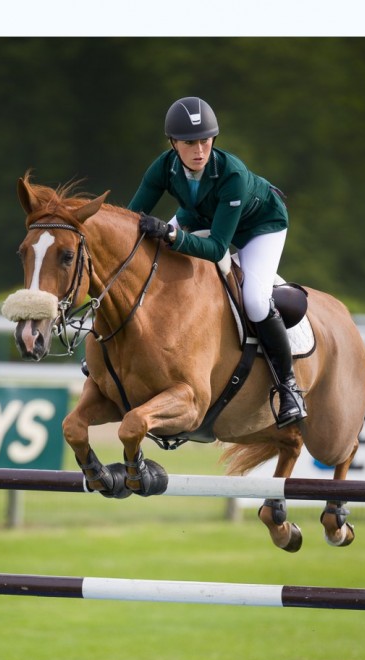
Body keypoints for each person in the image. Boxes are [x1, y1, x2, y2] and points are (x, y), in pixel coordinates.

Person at [127, 96, 307, 428]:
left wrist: (169, 235)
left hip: (259, 227)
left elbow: (216, 248)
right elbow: (130, 220)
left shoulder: (232, 174)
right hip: (202, 216)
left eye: (205, 140)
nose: (199, 149)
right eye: (189, 142)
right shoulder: (163, 167)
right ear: (173, 144)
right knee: (144, 256)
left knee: (254, 300)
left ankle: (289, 387)